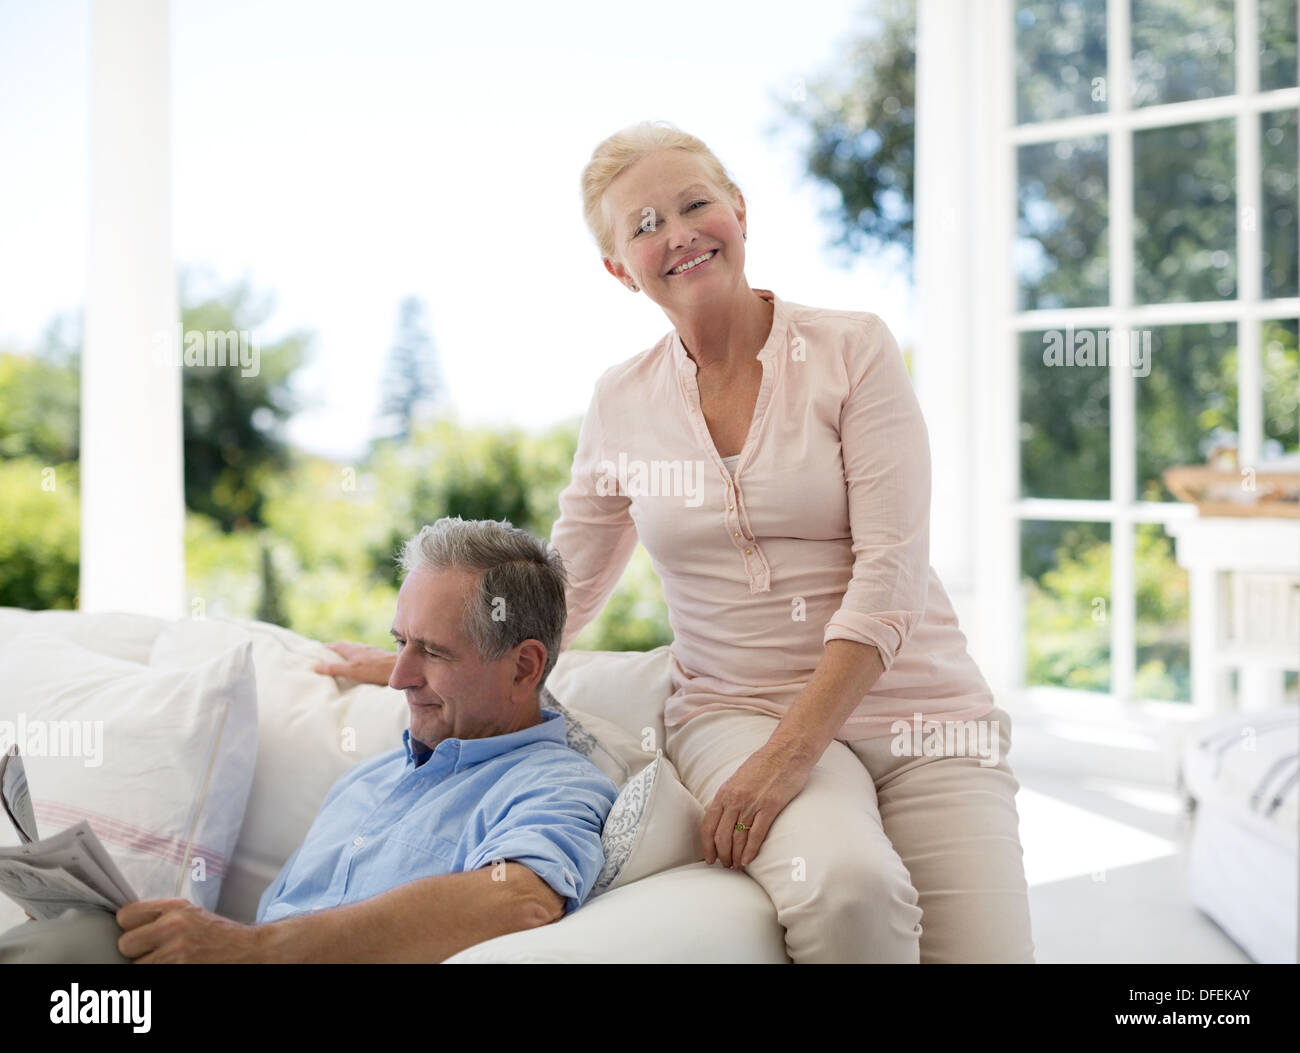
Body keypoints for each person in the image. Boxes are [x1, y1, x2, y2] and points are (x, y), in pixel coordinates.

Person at [318, 120, 1035, 964]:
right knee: (849, 891)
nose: (680, 233)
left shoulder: (853, 348)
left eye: (696, 204)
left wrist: (792, 754)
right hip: (737, 710)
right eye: (645, 225)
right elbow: (567, 585)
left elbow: (890, 574)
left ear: (739, 209)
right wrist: (427, 657)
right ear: (620, 269)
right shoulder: (622, 401)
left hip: (923, 710)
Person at [0, 518, 619, 964]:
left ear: (523, 667)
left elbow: (518, 900)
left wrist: (254, 949)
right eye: (400, 642)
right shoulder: (371, 779)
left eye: (431, 651)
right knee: (75, 941)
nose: (399, 676)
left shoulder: (556, 783)